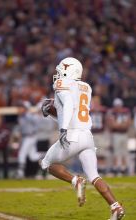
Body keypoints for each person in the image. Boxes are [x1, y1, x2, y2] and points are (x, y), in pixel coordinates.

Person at [41, 57, 125, 220]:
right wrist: (53, 111)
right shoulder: (86, 87)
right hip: (87, 136)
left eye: (61, 70)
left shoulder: (61, 85)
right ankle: (116, 207)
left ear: (68, 70)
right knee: (94, 175)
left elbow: (69, 105)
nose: (58, 74)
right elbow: (70, 110)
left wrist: (63, 128)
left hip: (72, 135)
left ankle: (75, 180)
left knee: (46, 164)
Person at [107, 98, 132, 176]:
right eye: (117, 106)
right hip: (116, 134)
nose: (118, 107)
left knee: (124, 152)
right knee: (116, 152)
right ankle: (116, 169)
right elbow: (112, 124)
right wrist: (121, 125)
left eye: (119, 105)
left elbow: (128, 123)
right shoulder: (112, 112)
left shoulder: (126, 112)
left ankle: (124, 169)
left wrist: (119, 125)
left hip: (124, 134)